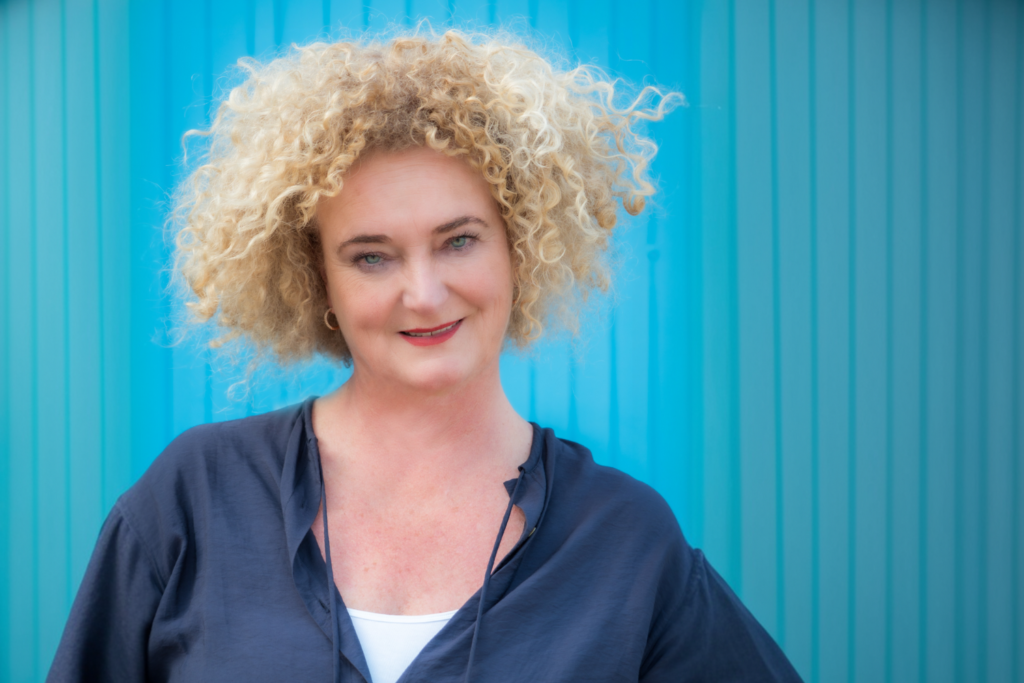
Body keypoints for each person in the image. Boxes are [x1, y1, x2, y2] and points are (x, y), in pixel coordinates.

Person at [47, 29, 802, 683]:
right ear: (317, 279)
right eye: (371, 257)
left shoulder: (626, 540)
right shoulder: (194, 499)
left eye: (459, 240)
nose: (425, 292)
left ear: (519, 249)